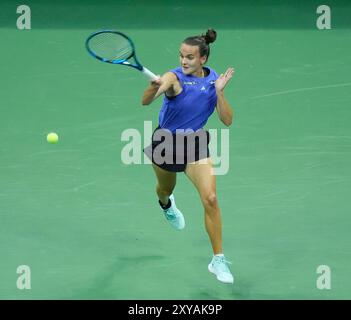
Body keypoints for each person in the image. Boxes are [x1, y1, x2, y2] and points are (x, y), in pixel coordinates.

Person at [141, 28, 235, 284]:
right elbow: (145, 101)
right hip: (165, 144)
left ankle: (218, 260)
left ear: (203, 59)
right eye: (182, 56)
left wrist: (220, 92)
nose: (184, 61)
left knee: (211, 198)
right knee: (164, 188)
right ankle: (166, 203)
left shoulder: (213, 79)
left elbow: (227, 120)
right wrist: (154, 87)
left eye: (189, 57)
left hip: (194, 143)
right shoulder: (174, 77)